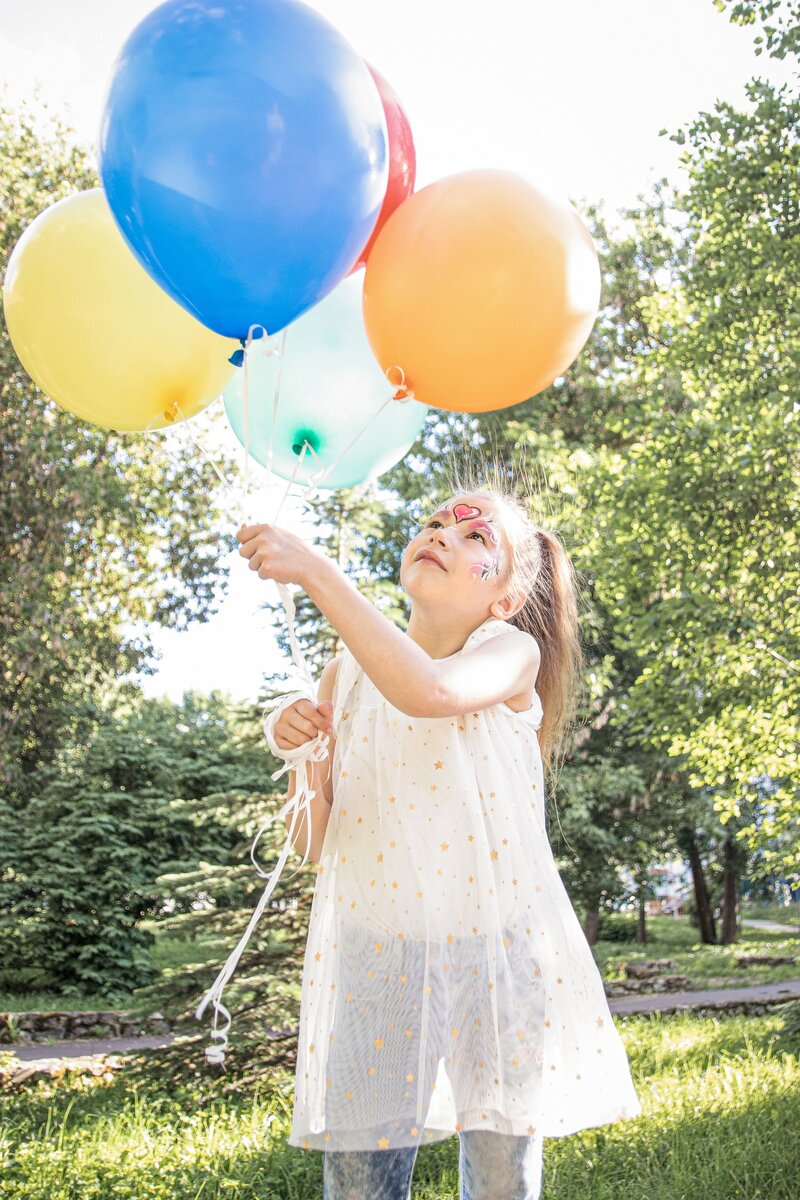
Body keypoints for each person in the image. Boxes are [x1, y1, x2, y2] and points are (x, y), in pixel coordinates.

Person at [236, 466, 642, 1200]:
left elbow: (428, 691)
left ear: (505, 597)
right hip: (378, 952)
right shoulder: (343, 676)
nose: (442, 533)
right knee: (360, 1186)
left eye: (475, 535)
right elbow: (316, 844)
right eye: (435, 522)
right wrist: (303, 752)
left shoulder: (510, 652)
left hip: (498, 952)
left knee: (500, 1184)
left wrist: (317, 573)